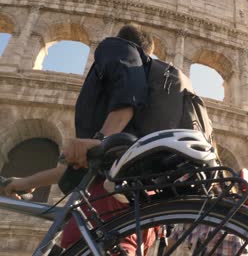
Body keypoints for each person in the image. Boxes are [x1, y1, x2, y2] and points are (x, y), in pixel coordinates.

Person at [0, 24, 156, 255]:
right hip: (139, 199)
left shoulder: (118, 49)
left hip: (111, 195)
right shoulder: (152, 91)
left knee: (83, 245)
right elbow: (78, 166)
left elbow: (127, 97)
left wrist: (103, 140)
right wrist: (24, 182)